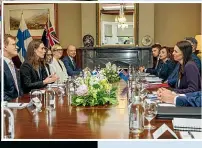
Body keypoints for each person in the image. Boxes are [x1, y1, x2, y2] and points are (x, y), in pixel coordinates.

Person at [3, 34, 23, 101]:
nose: (17, 47)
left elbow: (18, 88)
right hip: (7, 108)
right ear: (5, 47)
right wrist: (14, 103)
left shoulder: (12, 63)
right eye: (13, 44)